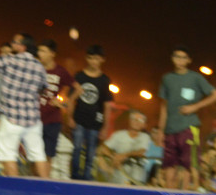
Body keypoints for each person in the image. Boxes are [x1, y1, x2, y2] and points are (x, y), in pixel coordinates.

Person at [0, 33, 48, 177]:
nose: (12, 44)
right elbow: (43, 89)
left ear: (22, 46)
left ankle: (15, 188)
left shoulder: (9, 60)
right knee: (38, 155)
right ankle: (49, 189)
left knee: (8, 154)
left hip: (11, 119)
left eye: (14, 42)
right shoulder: (39, 66)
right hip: (33, 120)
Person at [158, 45, 216, 190]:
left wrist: (195, 107)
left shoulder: (195, 78)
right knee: (169, 164)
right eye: (177, 57)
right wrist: (161, 130)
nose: (179, 60)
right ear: (172, 59)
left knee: (188, 164)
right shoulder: (167, 78)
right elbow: (163, 106)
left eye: (183, 57)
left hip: (189, 127)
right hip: (170, 128)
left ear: (188, 60)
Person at [67, 44, 113, 181]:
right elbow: (70, 99)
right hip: (79, 119)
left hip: (95, 122)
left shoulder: (104, 80)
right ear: (87, 59)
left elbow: (107, 105)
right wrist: (69, 117)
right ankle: (75, 176)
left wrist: (105, 126)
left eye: (97, 59)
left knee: (91, 151)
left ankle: (87, 177)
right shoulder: (79, 76)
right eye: (91, 58)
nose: (94, 62)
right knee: (76, 148)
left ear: (102, 60)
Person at [37, 40, 75, 169]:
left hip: (53, 121)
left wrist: (63, 103)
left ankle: (44, 185)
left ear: (52, 54)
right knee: (34, 155)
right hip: (34, 119)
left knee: (48, 155)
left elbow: (78, 89)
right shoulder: (35, 68)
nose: (39, 53)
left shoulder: (60, 71)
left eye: (43, 51)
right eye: (39, 50)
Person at [101, 110, 151, 184]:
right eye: (134, 119)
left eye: (140, 120)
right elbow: (103, 148)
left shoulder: (145, 137)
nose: (137, 122)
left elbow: (141, 151)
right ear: (130, 121)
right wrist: (113, 157)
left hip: (136, 169)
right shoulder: (118, 135)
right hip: (119, 167)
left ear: (144, 124)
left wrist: (124, 155)